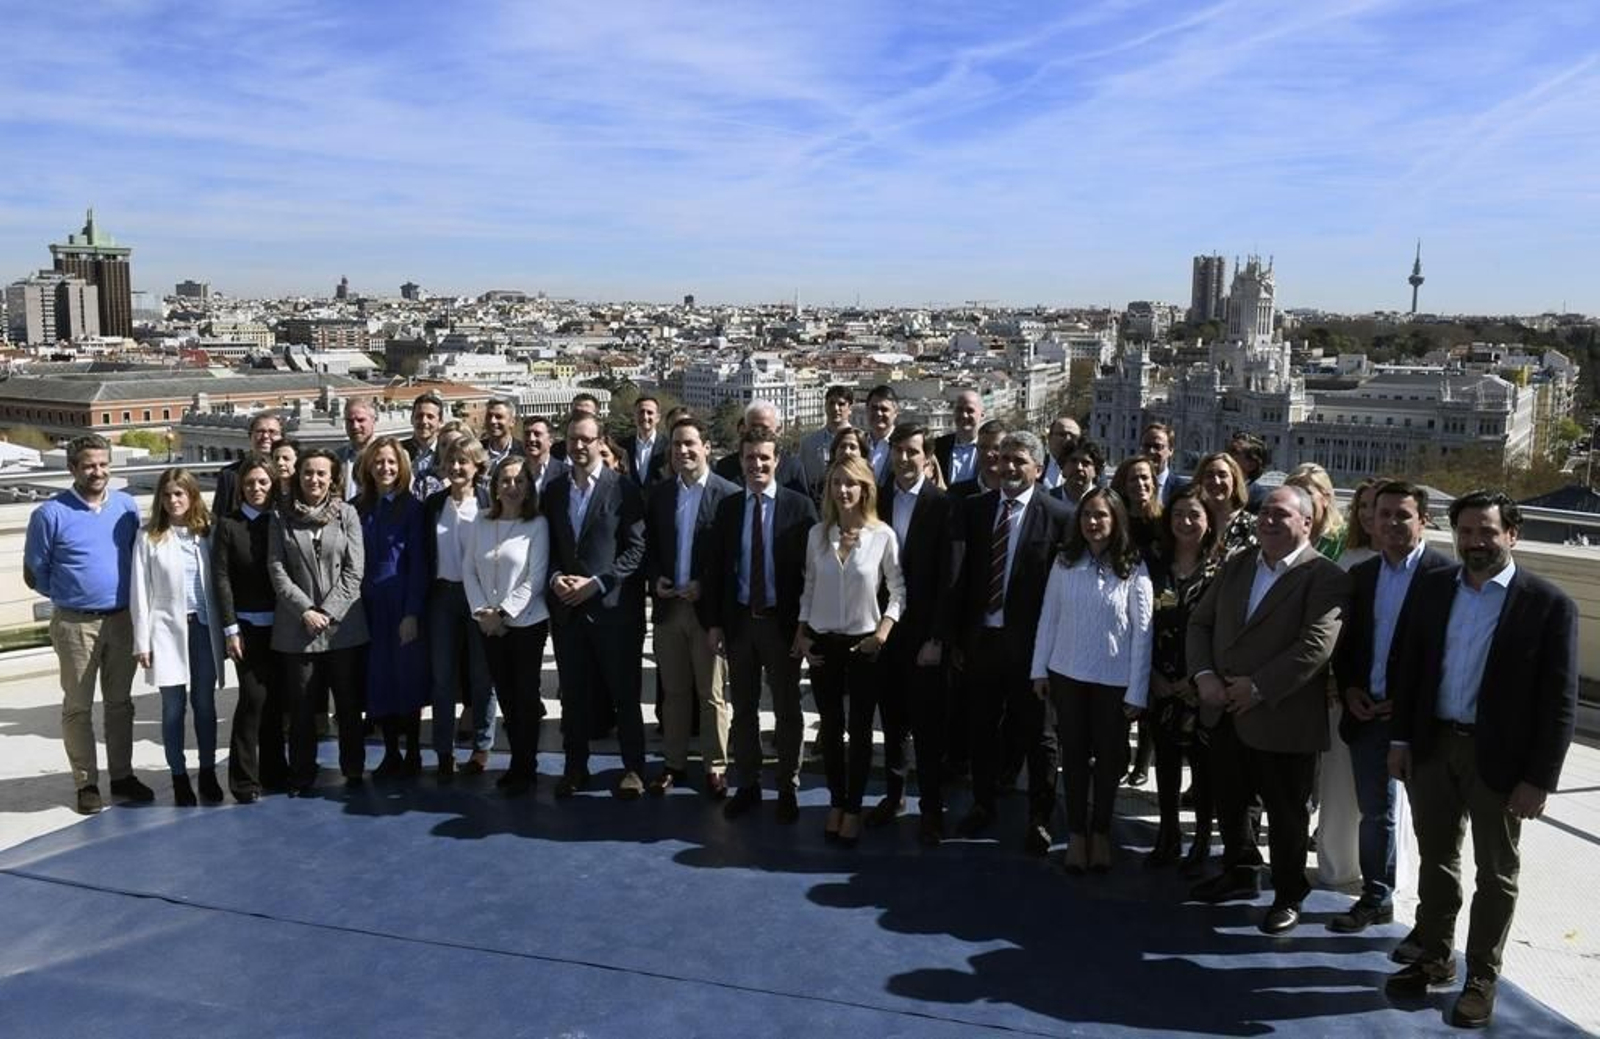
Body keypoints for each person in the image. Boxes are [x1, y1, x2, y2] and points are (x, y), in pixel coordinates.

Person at [1383, 491, 1578, 1028]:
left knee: (1496, 873)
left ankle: (1482, 976)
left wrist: (1538, 779)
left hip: (1501, 762)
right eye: (1465, 532)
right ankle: (1437, 956)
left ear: (1511, 534)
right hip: (1432, 746)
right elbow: (1409, 670)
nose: (1475, 543)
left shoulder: (1547, 605)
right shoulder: (1432, 588)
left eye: (1487, 532)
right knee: (1437, 858)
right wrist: (1400, 741)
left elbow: (1558, 703)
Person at [1187, 485, 1351, 935]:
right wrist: (1203, 677)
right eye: (1264, 513)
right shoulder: (1239, 563)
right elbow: (1201, 622)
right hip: (1224, 711)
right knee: (1231, 801)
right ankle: (1239, 871)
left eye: (1280, 514)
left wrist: (1258, 688)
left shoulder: (1326, 576)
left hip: (1283, 718)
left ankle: (1287, 894)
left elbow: (1316, 645)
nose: (1268, 521)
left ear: (1306, 522)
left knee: (1286, 814)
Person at [1329, 480, 1453, 938]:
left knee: (1431, 822)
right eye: (1384, 515)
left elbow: (1449, 654)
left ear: (1423, 520)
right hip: (1368, 715)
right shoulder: (1361, 577)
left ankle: (1431, 920)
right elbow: (1347, 645)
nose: (1393, 523)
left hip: (1422, 720)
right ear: (1372, 522)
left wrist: (1412, 701)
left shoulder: (1445, 577)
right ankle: (1375, 897)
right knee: (1374, 812)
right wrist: (1351, 689)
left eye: (1403, 515)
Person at [945, 431, 1072, 852]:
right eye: (1004, 460)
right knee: (979, 730)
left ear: (1038, 468)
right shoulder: (976, 510)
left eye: (1020, 462)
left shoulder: (1059, 516)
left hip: (1034, 651)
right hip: (982, 643)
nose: (1010, 468)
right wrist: (958, 638)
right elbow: (962, 579)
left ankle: (1039, 817)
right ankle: (982, 804)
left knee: (1039, 738)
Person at [23, 433, 152, 814]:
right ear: (72, 469)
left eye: (103, 464)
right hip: (76, 625)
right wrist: (71, 595)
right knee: (78, 707)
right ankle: (86, 783)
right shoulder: (50, 514)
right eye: (89, 465)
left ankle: (123, 776)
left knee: (120, 704)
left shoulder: (127, 507)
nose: (98, 472)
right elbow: (35, 572)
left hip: (123, 620)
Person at [1031, 486, 1153, 873]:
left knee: (1109, 762)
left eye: (1101, 515)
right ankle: (1078, 834)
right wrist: (1039, 669)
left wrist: (1137, 690)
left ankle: (1101, 831)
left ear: (1116, 520)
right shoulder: (1065, 561)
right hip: (1067, 676)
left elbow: (1143, 632)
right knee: (1076, 761)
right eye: (1087, 515)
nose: (1093, 522)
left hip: (1114, 683)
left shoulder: (1133, 566)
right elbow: (1048, 617)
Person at [704, 427, 819, 823]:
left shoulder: (800, 508)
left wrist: (805, 629)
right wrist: (715, 624)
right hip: (739, 624)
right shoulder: (729, 507)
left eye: (764, 458)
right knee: (744, 710)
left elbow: (812, 575)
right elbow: (718, 568)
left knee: (788, 710)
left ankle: (788, 786)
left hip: (783, 625)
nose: (757, 465)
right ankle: (749, 784)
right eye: (750, 458)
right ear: (741, 461)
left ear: (777, 461)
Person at [794, 455, 905, 848]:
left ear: (865, 489)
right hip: (823, 644)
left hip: (864, 645)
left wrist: (883, 633)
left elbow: (898, 590)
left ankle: (854, 808)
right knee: (829, 728)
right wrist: (802, 636)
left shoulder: (883, 536)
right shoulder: (816, 535)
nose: (843, 490)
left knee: (859, 732)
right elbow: (808, 589)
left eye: (851, 483)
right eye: (836, 482)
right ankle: (837, 802)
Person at [543, 413, 649, 799]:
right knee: (572, 696)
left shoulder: (623, 489)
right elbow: (549, 544)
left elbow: (637, 549)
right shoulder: (554, 491)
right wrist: (555, 579)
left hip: (614, 612)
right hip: (568, 611)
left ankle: (634, 768)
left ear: (599, 440)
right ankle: (575, 768)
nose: (579, 446)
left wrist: (599, 584)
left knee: (624, 694)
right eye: (573, 439)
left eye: (586, 439)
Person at [643, 416, 738, 796]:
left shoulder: (728, 494)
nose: (683, 451)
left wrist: (706, 586)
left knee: (711, 694)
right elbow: (648, 548)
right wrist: (655, 581)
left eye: (690, 444)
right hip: (669, 609)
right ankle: (674, 763)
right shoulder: (662, 494)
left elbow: (733, 559)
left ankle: (715, 766)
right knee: (674, 691)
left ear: (707, 448)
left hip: (706, 612)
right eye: (677, 445)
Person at [269, 448, 369, 793]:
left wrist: (328, 612)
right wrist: (306, 610)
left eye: (321, 473)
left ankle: (353, 769)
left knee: (348, 703)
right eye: (308, 473)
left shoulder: (347, 514)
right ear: (298, 476)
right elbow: (277, 568)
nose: (314, 479)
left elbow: (355, 569)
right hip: (298, 628)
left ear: (333, 478)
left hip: (343, 628)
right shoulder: (281, 515)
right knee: (301, 707)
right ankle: (302, 772)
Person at [874, 423, 953, 845]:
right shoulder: (877, 499)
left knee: (927, 726)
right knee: (892, 720)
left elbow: (948, 579)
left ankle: (931, 807)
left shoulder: (943, 505)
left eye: (912, 452)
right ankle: (894, 796)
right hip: (884, 630)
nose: (904, 459)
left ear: (927, 458)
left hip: (924, 634)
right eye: (898, 451)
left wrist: (937, 638)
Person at [131, 468, 226, 806]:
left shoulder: (208, 533)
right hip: (166, 632)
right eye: (167, 494)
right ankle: (179, 775)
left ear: (192, 496)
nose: (173, 500)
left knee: (204, 704)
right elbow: (139, 592)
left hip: (203, 629)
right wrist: (142, 641)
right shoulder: (149, 537)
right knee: (173, 708)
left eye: (180, 494)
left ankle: (209, 772)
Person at [463, 455, 551, 796]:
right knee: (507, 697)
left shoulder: (537, 524)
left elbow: (536, 577)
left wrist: (503, 614)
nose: (511, 487)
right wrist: (483, 613)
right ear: (494, 486)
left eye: (518, 481)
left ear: (528, 487)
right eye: (505, 481)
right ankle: (515, 761)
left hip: (527, 623)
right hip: (487, 624)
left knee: (525, 697)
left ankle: (526, 765)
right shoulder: (480, 522)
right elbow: (469, 570)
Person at [1146, 483, 1221, 872]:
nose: (1186, 522)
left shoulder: (1221, 571)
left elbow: (1225, 632)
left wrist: (1198, 680)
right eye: (1178, 515)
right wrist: (1153, 675)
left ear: (1208, 522)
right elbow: (1139, 624)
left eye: (1195, 515)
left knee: (1204, 766)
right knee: (1167, 763)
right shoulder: (1153, 564)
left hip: (1201, 685)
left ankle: (1202, 841)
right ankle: (1168, 834)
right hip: (1160, 680)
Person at [212, 453, 285, 801]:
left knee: (277, 703)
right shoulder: (228, 525)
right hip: (246, 628)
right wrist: (230, 628)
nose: (257, 488)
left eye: (263, 482)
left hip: (283, 627)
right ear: (241, 486)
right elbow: (222, 578)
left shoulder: (282, 522)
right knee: (252, 701)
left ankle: (274, 772)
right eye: (250, 482)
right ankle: (243, 779)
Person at [356, 436, 431, 778]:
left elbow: (419, 564)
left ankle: (413, 750)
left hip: (401, 601)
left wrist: (412, 612)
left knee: (407, 678)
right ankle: (390, 752)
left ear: (401, 467)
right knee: (379, 679)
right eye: (378, 462)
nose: (384, 468)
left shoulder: (414, 508)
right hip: (369, 605)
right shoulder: (358, 507)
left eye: (391, 462)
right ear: (368, 467)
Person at [423, 437, 495, 778]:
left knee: (482, 676)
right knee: (443, 678)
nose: (456, 468)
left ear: (477, 466)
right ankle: (443, 750)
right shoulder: (433, 504)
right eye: (451, 461)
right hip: (443, 597)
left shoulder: (488, 503)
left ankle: (482, 747)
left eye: (463, 462)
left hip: (479, 596)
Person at [711, 400, 810, 497]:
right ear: (744, 428)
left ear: (778, 430)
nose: (758, 432)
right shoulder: (725, 467)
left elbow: (800, 507)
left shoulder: (793, 469)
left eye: (764, 428)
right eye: (753, 427)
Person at [212, 410, 283, 516]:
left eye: (272, 432)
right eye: (260, 431)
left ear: (282, 437)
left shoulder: (290, 473)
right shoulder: (229, 475)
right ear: (250, 436)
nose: (266, 436)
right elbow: (220, 516)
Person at [1194, 451, 1257, 559]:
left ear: (1235, 481)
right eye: (1209, 475)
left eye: (1222, 475)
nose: (1216, 481)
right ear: (1200, 481)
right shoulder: (1189, 521)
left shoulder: (1254, 526)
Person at [797, 385, 855, 500]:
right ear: (825, 406)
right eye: (831, 403)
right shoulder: (808, 443)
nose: (835, 408)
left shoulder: (859, 441)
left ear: (850, 408)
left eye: (841, 404)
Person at [933, 389, 984, 487]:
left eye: (970, 411)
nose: (964, 415)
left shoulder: (989, 449)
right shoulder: (938, 446)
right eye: (959, 410)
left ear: (982, 415)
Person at [402, 391, 448, 499]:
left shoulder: (448, 453)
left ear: (440, 422)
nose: (424, 421)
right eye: (419, 416)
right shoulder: (399, 450)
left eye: (430, 417)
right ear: (412, 419)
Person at [947, 418, 1007, 500]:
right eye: (983, 447)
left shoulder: (1015, 494)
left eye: (996, 448)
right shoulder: (956, 493)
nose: (988, 453)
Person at [619, 394, 668, 488]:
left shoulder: (667, 446)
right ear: (634, 416)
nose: (645, 417)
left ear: (658, 418)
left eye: (650, 412)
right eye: (641, 412)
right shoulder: (622, 445)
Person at [1052, 438, 1104, 524]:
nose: (1079, 467)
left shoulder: (1105, 502)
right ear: (1063, 467)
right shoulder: (1048, 500)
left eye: (1086, 463)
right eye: (1073, 461)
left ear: (1096, 470)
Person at [338, 398, 378, 501]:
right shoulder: (337, 458)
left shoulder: (391, 457)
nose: (355, 426)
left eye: (361, 420)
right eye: (350, 421)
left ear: (374, 420)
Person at [1140, 422, 1189, 507]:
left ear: (1170, 450)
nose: (1151, 451)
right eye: (1146, 446)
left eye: (1157, 446)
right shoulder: (1129, 485)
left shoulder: (1182, 489)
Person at [521, 414, 567, 493]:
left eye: (537, 434)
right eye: (527, 434)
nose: (531, 439)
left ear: (551, 440)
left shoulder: (565, 473)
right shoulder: (516, 471)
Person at [1226, 432, 1271, 512]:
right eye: (1227, 449)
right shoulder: (1209, 488)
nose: (1225, 455)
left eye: (1234, 451)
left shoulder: (1260, 499)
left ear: (1251, 464)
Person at [862, 384, 899, 483]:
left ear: (895, 413)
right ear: (866, 410)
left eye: (884, 409)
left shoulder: (903, 444)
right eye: (874, 408)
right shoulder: (858, 442)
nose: (878, 413)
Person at [1040, 415, 1081, 491]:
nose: (1067, 439)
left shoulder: (1091, 469)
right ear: (1049, 437)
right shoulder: (1037, 464)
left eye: (1073, 436)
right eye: (1062, 434)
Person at [481, 398, 525, 470]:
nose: (492, 421)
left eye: (499, 417)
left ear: (512, 422)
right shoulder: (478, 450)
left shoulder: (524, 452)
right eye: (489, 416)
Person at [270, 439, 301, 505]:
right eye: (276, 458)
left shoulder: (306, 491)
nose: (280, 463)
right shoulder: (268, 492)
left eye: (286, 458)